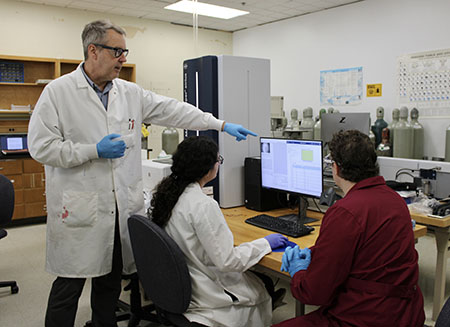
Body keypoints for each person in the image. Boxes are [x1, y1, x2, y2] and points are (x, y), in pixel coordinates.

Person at [28, 19, 257, 327]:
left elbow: (175, 110)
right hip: (80, 211)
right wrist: (92, 150)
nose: (123, 58)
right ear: (92, 50)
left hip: (120, 208)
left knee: (109, 284)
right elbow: (41, 148)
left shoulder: (129, 92)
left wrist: (220, 124)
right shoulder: (58, 93)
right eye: (117, 51)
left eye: (125, 51)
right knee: (68, 289)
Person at [275, 130, 425, 327]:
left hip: (366, 317)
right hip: (406, 315)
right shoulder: (396, 201)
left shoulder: (345, 212)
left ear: (336, 168)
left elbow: (314, 293)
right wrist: (315, 254)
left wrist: (299, 273)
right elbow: (367, 254)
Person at [150, 136, 288, 327]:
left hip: (181, 284)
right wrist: (265, 243)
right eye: (218, 160)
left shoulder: (168, 193)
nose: (219, 164)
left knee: (259, 281)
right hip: (205, 293)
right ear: (208, 168)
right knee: (260, 289)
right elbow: (228, 261)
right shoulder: (202, 205)